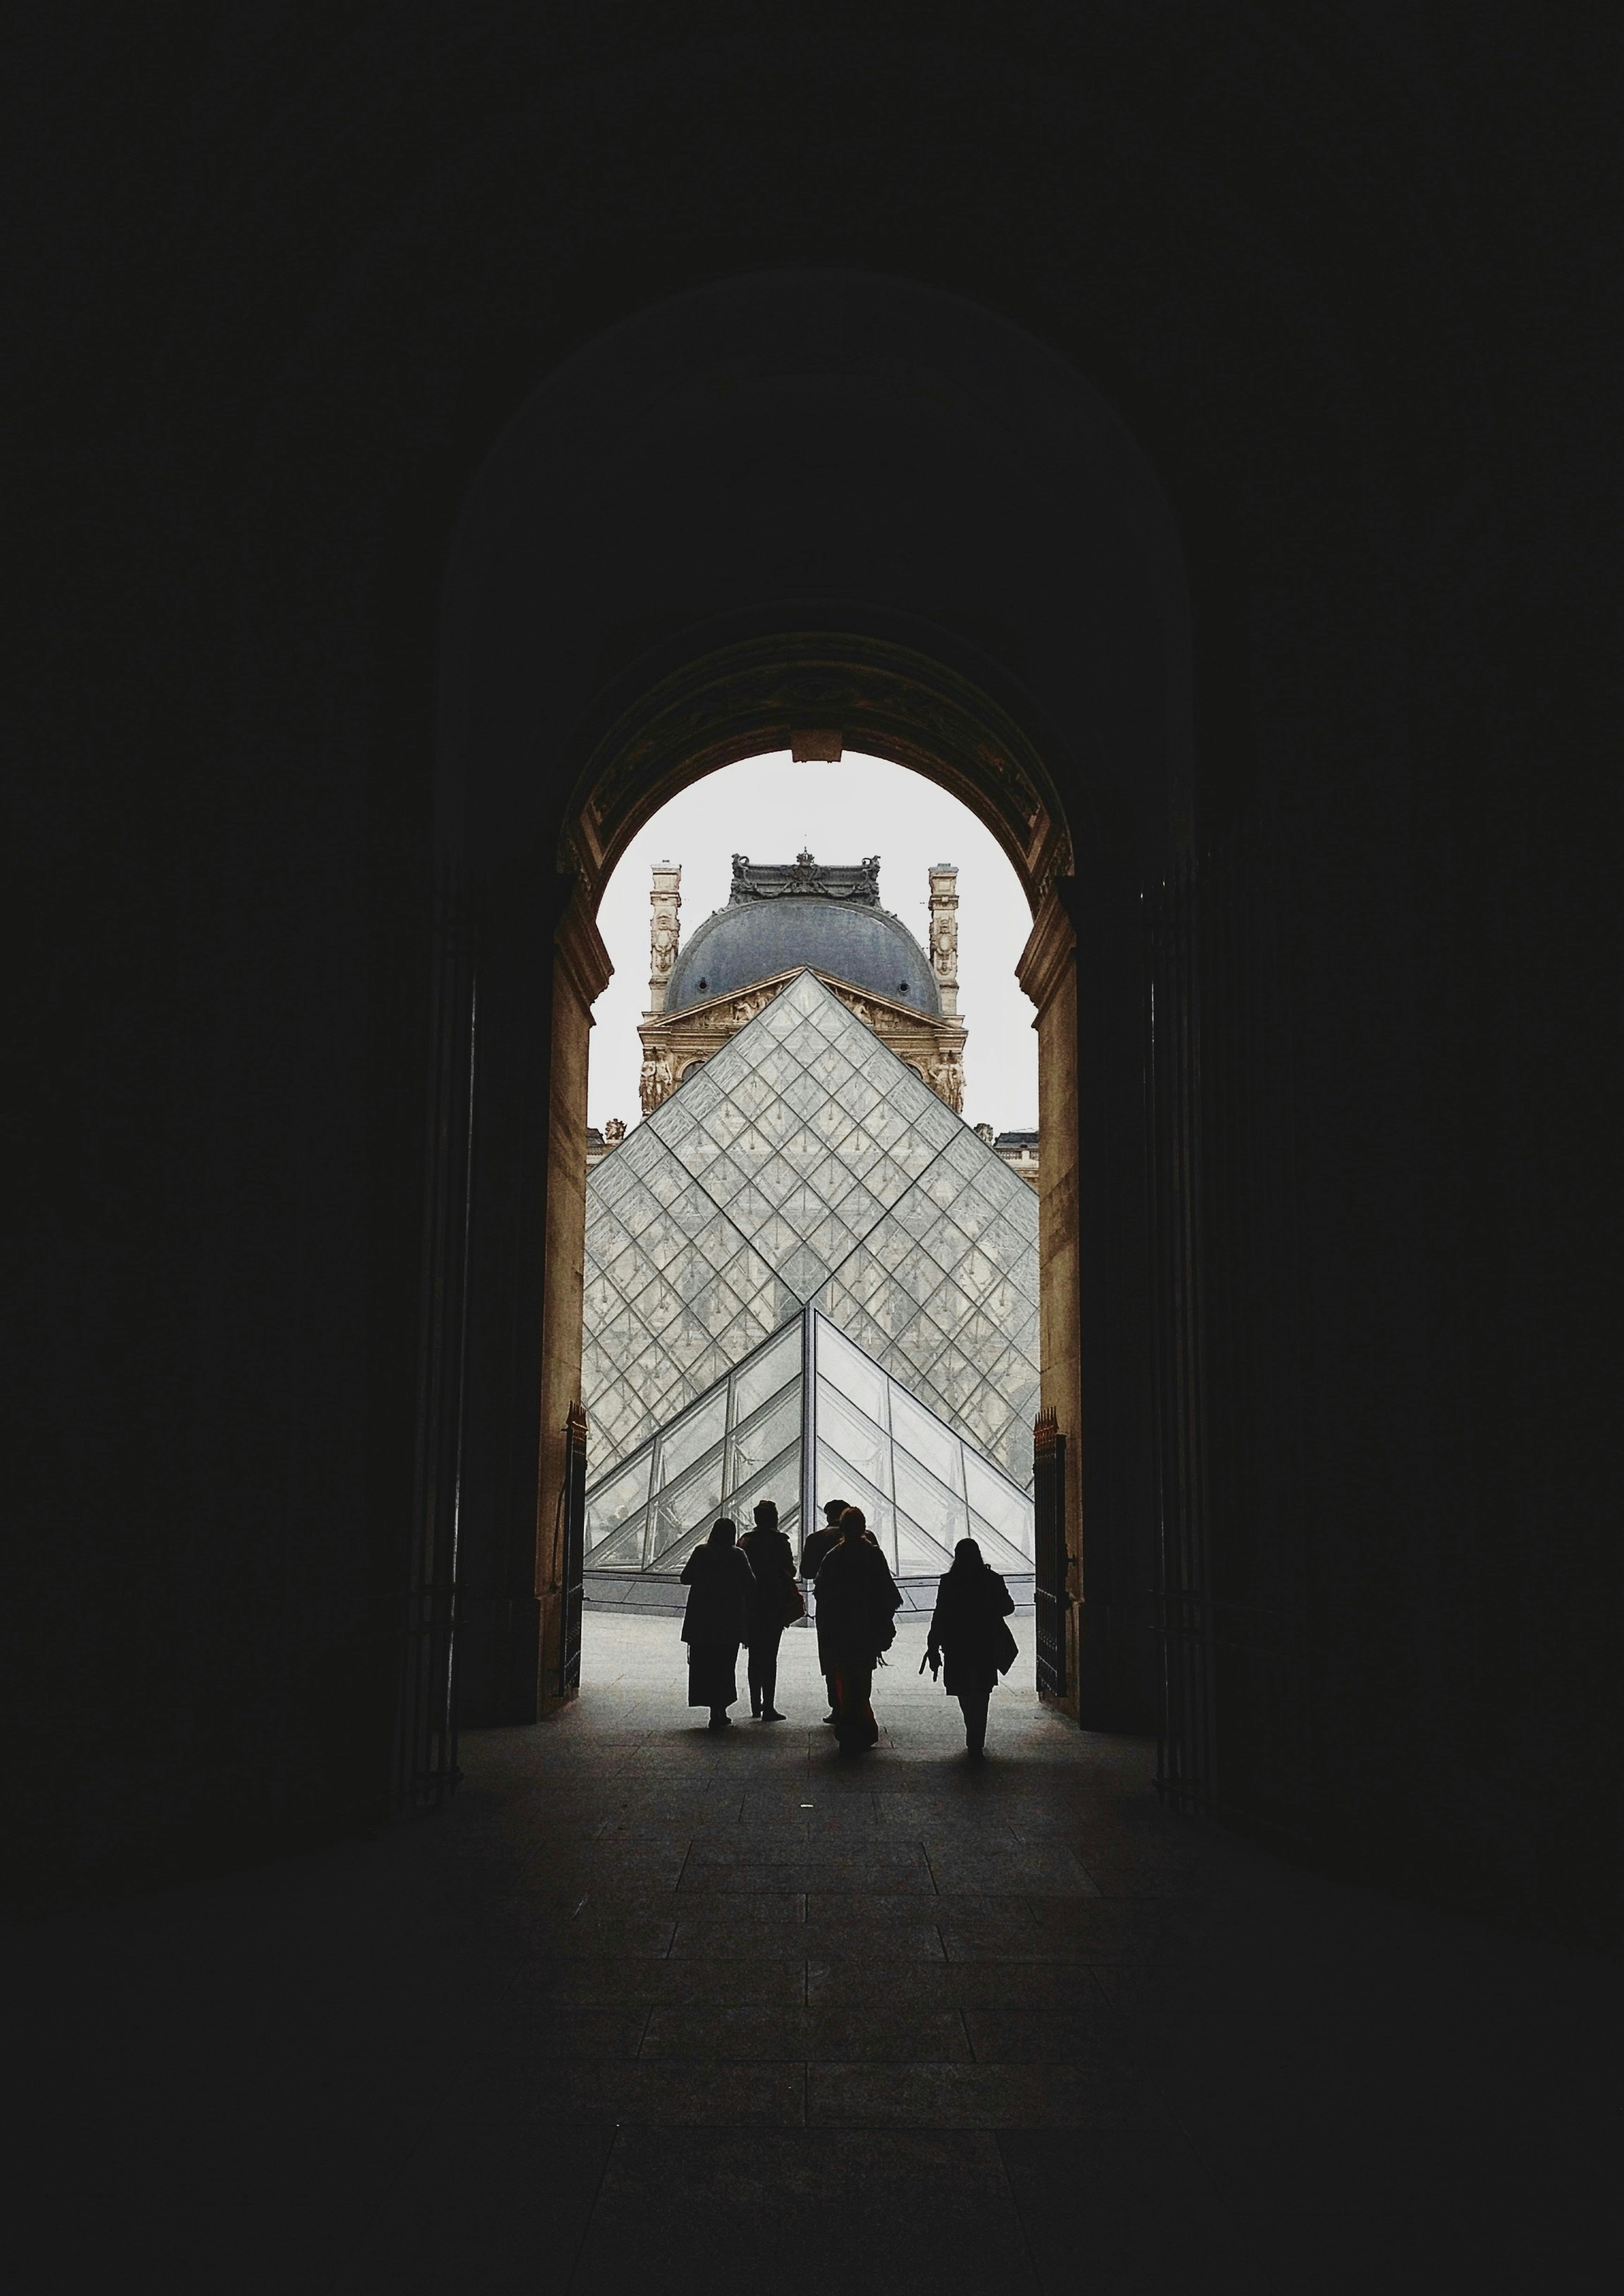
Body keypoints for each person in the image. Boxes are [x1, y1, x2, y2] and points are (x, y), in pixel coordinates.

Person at [813, 1507, 903, 1752]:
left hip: (840, 1630)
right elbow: (889, 1594)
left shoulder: (833, 1556)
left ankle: (849, 1725)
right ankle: (860, 1726)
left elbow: (820, 1591)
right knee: (862, 1678)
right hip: (866, 1629)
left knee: (844, 1676)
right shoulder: (873, 1555)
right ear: (863, 1527)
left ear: (842, 1528)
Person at [925, 1537, 1017, 1759]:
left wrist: (933, 1645)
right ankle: (977, 1736)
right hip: (985, 1643)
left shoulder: (949, 1581)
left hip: (957, 1644)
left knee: (964, 1691)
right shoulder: (992, 1579)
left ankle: (972, 1729)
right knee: (983, 1691)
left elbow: (940, 1614)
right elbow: (1008, 1607)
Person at [679, 1518, 754, 1730]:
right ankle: (721, 1709)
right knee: (725, 1666)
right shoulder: (737, 1555)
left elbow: (685, 1578)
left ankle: (713, 1709)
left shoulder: (701, 1551)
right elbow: (750, 1583)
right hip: (729, 1619)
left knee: (705, 1665)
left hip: (702, 1620)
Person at [739, 1498, 802, 1720]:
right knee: (770, 1656)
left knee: (754, 1657)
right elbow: (790, 1571)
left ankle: (755, 1705)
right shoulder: (780, 1541)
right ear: (774, 1518)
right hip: (773, 1605)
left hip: (751, 1604)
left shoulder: (745, 1540)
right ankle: (769, 1707)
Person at [800, 1498, 851, 1724]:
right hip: (858, 1609)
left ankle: (837, 1706)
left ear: (828, 1515)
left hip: (829, 1608)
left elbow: (808, 1572)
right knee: (858, 1658)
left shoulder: (816, 1539)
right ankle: (856, 1704)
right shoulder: (868, 1540)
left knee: (832, 1657)